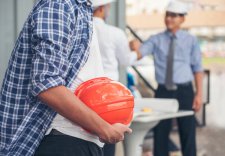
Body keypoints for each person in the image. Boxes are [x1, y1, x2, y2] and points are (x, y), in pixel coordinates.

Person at [0, 0, 131, 156]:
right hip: (63, 141)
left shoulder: (79, 8)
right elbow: (46, 84)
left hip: (75, 139)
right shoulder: (60, 5)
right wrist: (104, 128)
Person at [130, 1, 203, 156]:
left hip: (185, 91)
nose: (169, 18)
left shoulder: (191, 41)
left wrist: (199, 94)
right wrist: (133, 45)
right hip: (163, 92)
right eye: (168, 15)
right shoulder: (156, 39)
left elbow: (197, 69)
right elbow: (140, 52)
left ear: (182, 19)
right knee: (160, 133)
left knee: (188, 133)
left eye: (174, 16)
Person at [91, 0, 138, 155]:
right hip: (110, 96)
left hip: (88, 94)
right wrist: (137, 52)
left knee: (89, 137)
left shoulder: (82, 29)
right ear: (103, 9)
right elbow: (125, 61)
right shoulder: (115, 33)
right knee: (109, 138)